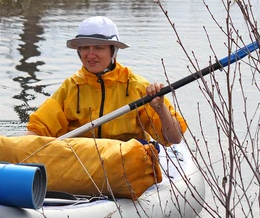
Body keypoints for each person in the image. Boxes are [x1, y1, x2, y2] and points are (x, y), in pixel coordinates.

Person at [26, 16, 186, 146]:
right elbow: (38, 129)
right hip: (82, 164)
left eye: (98, 48)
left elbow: (174, 138)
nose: (90, 54)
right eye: (85, 48)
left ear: (113, 51)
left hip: (125, 167)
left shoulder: (137, 87)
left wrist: (160, 109)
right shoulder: (71, 87)